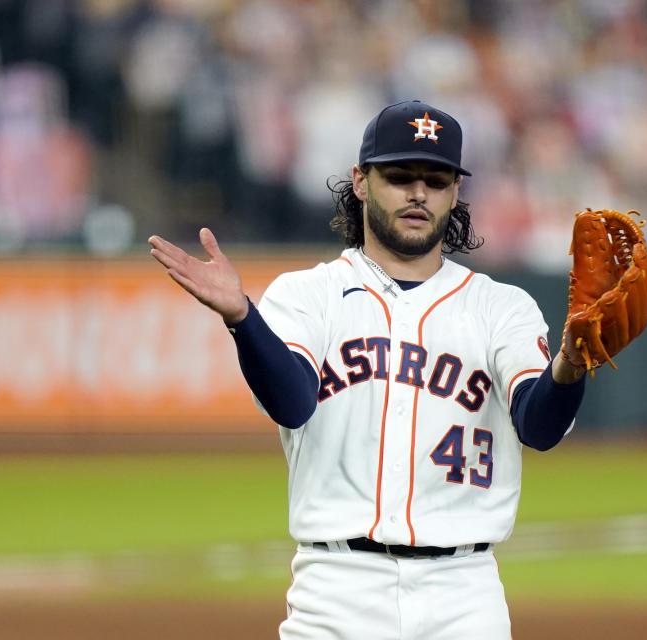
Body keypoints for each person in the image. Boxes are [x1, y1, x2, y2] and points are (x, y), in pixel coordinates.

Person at [149, 100, 587, 639]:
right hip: (336, 589)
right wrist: (243, 319)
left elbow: (539, 428)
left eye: (436, 179)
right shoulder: (310, 294)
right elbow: (291, 402)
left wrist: (572, 361)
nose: (418, 193)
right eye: (400, 176)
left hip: (464, 594)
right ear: (360, 181)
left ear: (455, 192)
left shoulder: (501, 307)